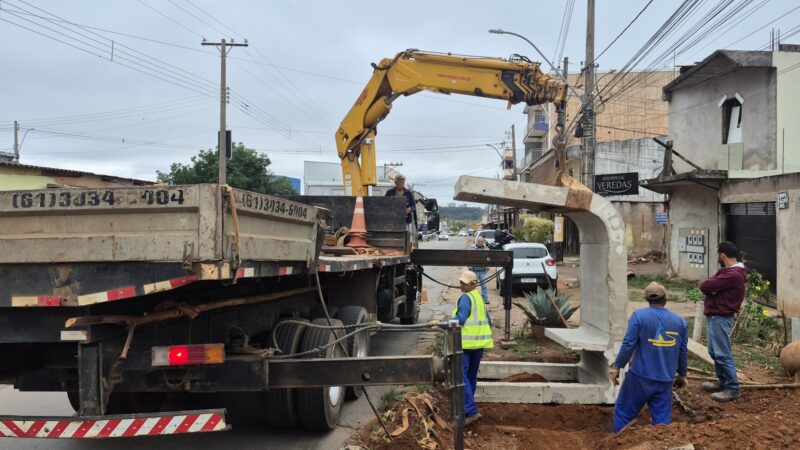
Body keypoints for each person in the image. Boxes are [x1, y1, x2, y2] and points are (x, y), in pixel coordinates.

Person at [610, 282, 688, 434]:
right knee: (662, 423)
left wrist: (617, 366)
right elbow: (683, 351)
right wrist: (682, 375)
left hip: (640, 378)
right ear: (665, 299)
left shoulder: (639, 316)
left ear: (647, 299)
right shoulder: (680, 322)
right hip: (665, 380)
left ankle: (619, 442)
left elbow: (628, 344)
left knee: (624, 412)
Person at [699, 241, 747, 403]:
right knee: (714, 352)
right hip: (717, 317)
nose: (717, 257)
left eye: (717, 254)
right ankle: (723, 382)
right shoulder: (729, 272)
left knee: (722, 353)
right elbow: (711, 285)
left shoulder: (732, 274)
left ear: (723, 255)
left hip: (720, 317)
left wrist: (713, 288)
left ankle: (732, 388)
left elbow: (705, 285)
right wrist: (714, 287)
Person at [451, 270, 493, 426]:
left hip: (466, 344)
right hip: (479, 344)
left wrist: (445, 323)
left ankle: (470, 410)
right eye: (461, 282)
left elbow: (460, 320)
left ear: (473, 284)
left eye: (464, 283)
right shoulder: (479, 298)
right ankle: (466, 407)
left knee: (462, 377)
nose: (461, 285)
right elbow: (488, 321)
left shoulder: (465, 298)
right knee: (470, 376)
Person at [385, 175, 417, 245]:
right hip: (392, 219)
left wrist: (410, 209)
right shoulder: (389, 192)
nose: (401, 184)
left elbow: (413, 205)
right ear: (395, 183)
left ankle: (406, 247)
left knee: (406, 235)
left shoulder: (408, 193)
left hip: (405, 220)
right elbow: (385, 204)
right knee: (393, 236)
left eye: (402, 183)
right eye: (399, 183)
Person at [469, 236, 490, 304]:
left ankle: (484, 298)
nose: (480, 242)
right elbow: (468, 258)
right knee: (473, 285)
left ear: (483, 242)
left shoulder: (486, 249)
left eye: (481, 241)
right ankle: (472, 298)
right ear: (476, 241)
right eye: (479, 241)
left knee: (484, 285)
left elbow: (489, 258)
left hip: (483, 270)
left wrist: (488, 266)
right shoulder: (472, 248)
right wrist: (470, 267)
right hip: (474, 270)